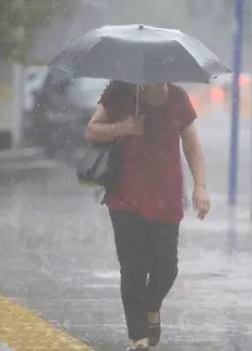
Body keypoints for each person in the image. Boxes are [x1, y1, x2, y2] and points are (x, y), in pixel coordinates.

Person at [85, 81, 210, 350]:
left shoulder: (177, 98)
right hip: (125, 196)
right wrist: (124, 127)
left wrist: (200, 185)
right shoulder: (119, 92)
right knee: (133, 268)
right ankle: (137, 337)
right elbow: (92, 129)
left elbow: (191, 146)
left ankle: (152, 307)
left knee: (167, 268)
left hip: (166, 196)